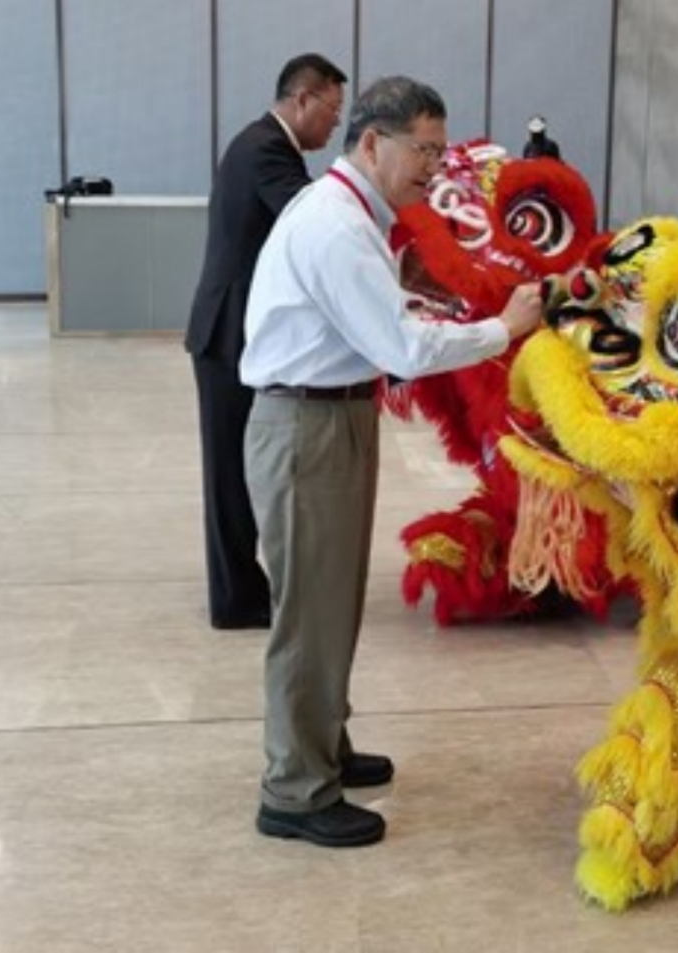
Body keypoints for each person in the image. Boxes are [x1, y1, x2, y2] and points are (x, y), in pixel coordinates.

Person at [240, 75, 545, 848]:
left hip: (333, 415)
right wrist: (502, 329)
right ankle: (295, 789)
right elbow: (401, 349)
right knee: (309, 612)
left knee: (333, 599)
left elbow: (375, 318)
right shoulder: (338, 226)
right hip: (306, 424)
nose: (435, 170)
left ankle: (323, 747)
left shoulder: (356, 214)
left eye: (442, 153)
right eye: (425, 152)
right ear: (372, 142)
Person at [185, 53, 348, 630]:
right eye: (331, 109)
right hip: (228, 332)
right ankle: (235, 600)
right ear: (301, 98)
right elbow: (312, 218)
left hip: (234, 328)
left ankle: (244, 588)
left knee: (241, 465)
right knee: (230, 468)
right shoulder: (265, 149)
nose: (334, 125)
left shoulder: (259, 144)